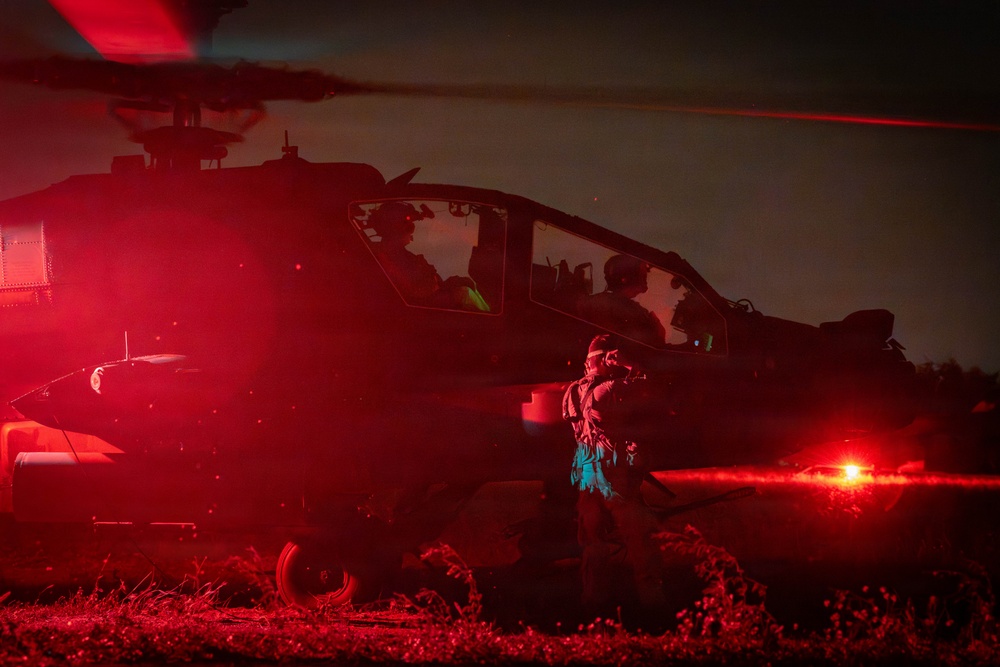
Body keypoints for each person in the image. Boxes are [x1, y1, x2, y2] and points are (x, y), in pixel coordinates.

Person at [562, 334, 666, 621]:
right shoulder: (609, 389)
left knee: (593, 543)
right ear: (607, 359)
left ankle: (594, 604)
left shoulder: (573, 390)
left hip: (586, 472)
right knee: (641, 537)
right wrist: (630, 364)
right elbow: (654, 385)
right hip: (613, 474)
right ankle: (653, 605)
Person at [369, 202, 489, 312]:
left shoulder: (395, 253)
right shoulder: (390, 255)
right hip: (423, 307)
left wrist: (446, 284)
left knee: (466, 284)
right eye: (407, 225)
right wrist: (445, 286)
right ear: (395, 228)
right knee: (464, 293)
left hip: (427, 299)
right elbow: (418, 292)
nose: (411, 230)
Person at [578, 255, 666, 346]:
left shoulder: (590, 303)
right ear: (626, 277)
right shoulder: (636, 313)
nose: (646, 273)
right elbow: (656, 344)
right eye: (642, 271)